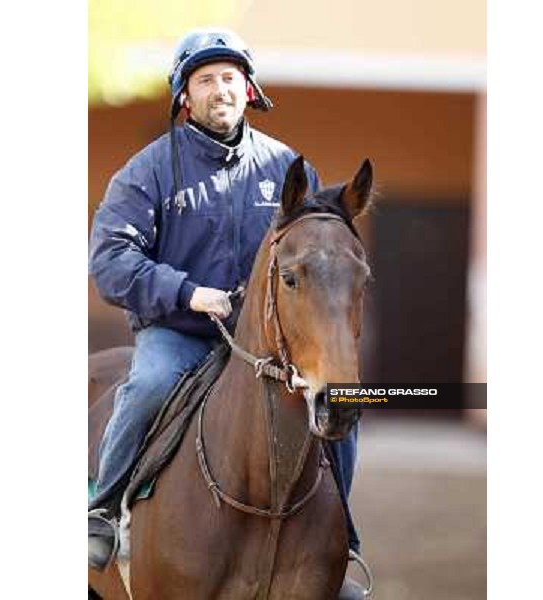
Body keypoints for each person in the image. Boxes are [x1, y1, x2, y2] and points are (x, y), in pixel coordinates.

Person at [88, 27, 365, 598]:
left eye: (231, 78)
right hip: (182, 330)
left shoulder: (286, 165)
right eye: (207, 79)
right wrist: (188, 292)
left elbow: (309, 253)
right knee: (147, 386)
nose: (221, 89)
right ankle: (103, 511)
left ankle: (344, 537)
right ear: (184, 95)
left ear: (249, 89)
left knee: (344, 403)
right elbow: (109, 259)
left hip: (270, 337)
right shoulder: (149, 170)